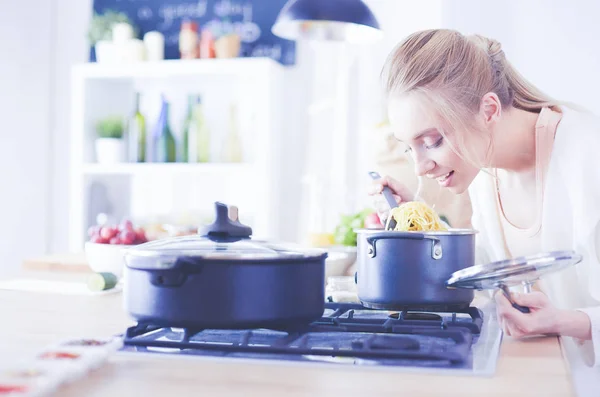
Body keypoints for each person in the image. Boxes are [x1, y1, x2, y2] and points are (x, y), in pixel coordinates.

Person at [368, 28, 600, 368]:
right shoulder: (483, 166)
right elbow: (485, 275)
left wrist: (562, 321)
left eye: (432, 141)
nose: (419, 167)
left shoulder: (588, 154)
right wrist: (418, 229)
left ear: (488, 110)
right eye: (408, 146)